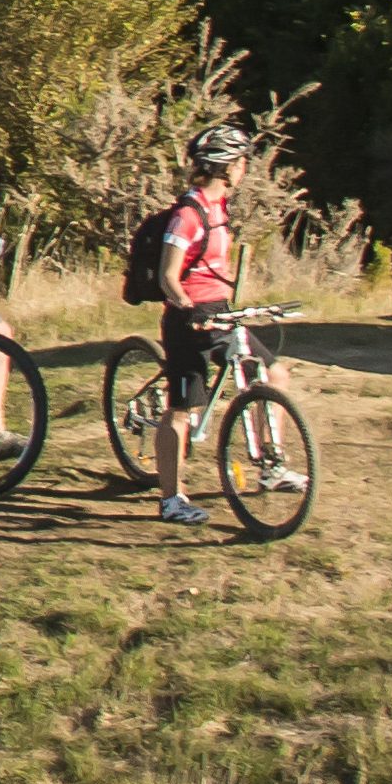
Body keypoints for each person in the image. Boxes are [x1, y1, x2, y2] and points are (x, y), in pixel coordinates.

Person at [138, 124, 246, 523]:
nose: (244, 168)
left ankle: (271, 463)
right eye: (241, 161)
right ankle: (171, 499)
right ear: (226, 166)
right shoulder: (189, 213)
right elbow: (169, 275)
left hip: (222, 311)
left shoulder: (221, 207)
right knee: (182, 410)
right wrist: (185, 309)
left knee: (271, 372)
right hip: (190, 317)